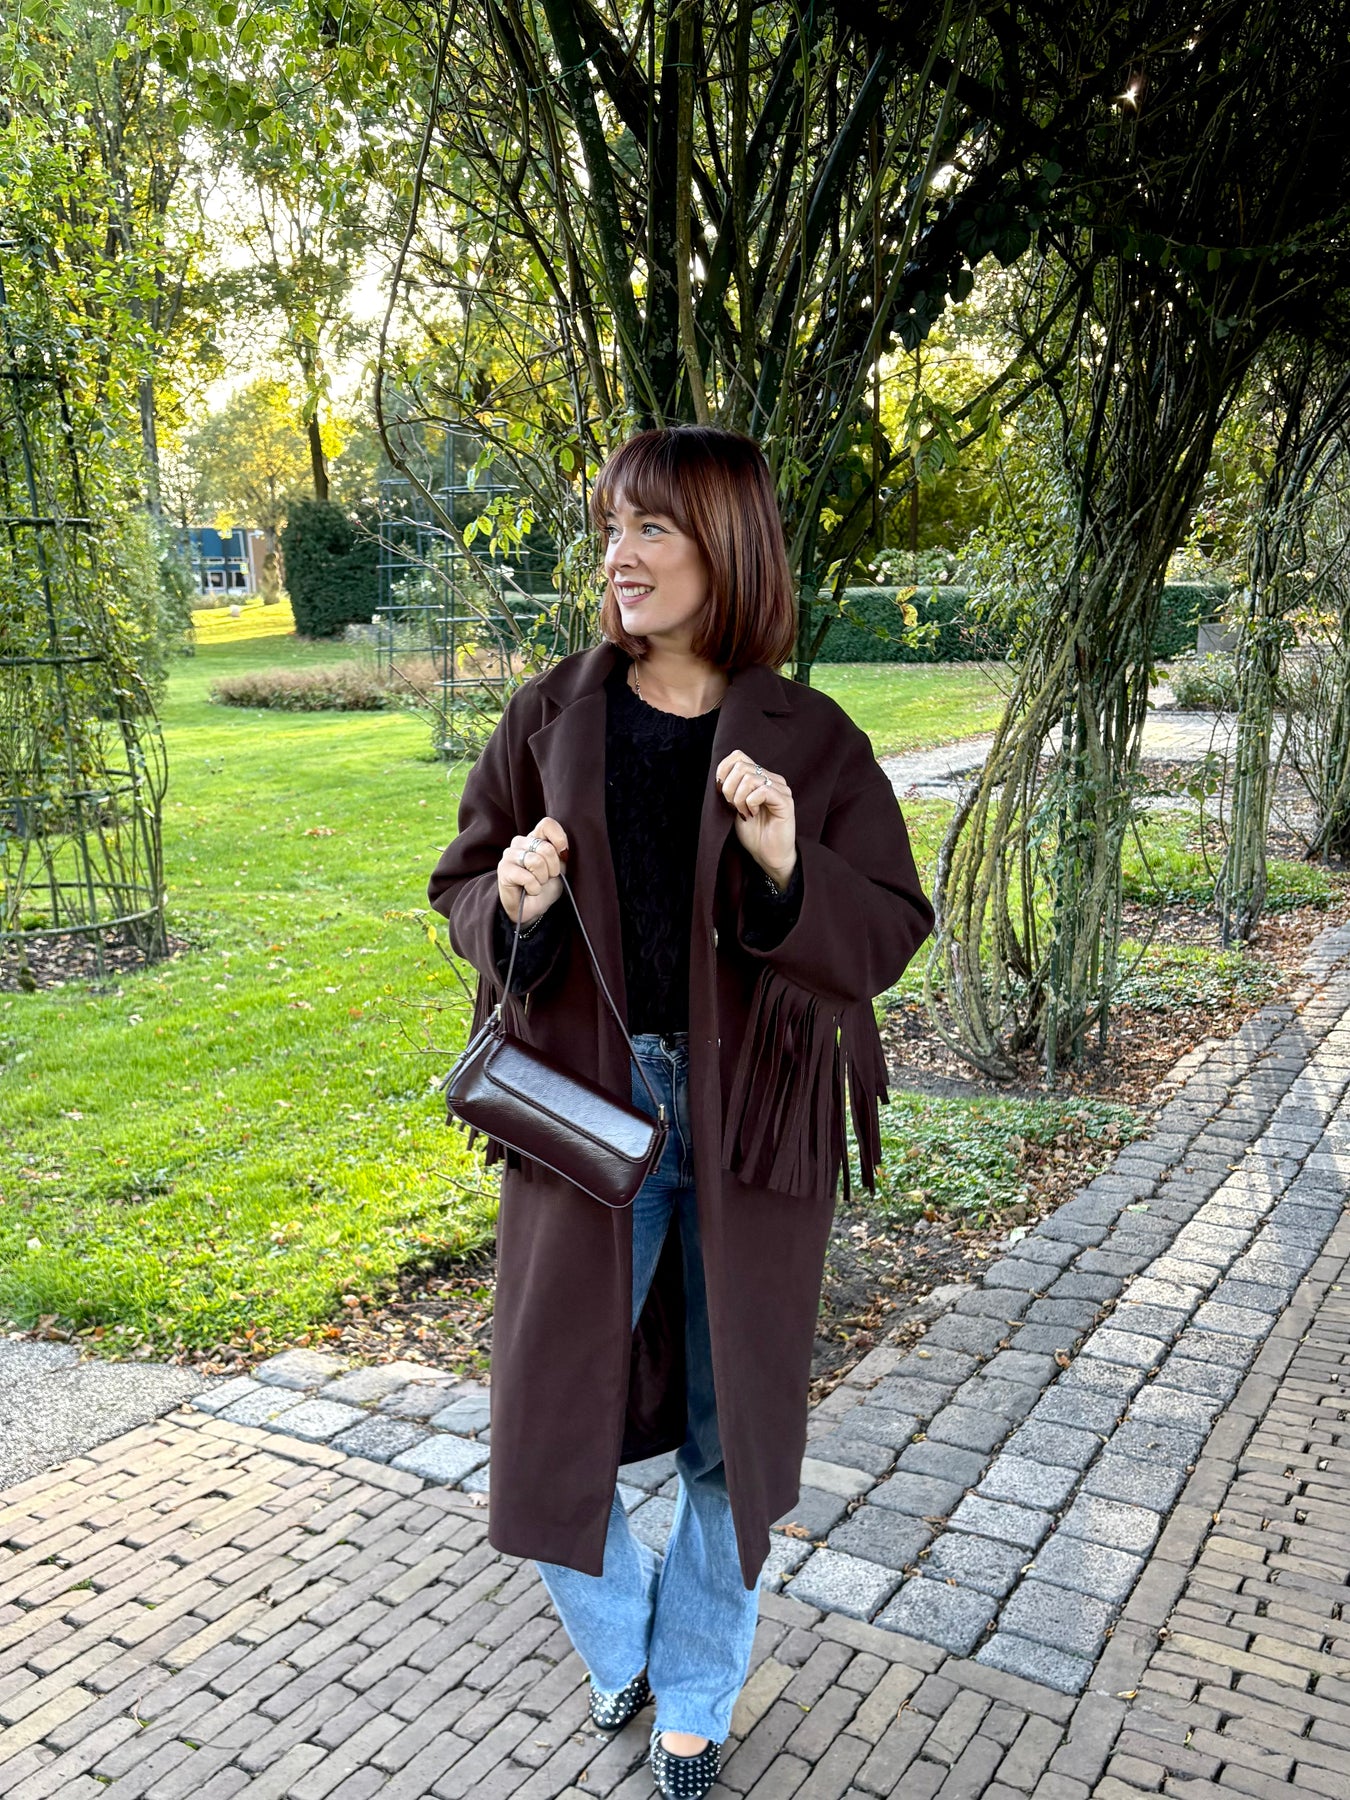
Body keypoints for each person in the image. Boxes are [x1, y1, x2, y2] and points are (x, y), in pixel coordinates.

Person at [427, 424, 933, 1799]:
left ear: (728, 547)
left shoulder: (812, 741)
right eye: (613, 527)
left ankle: (693, 1693)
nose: (620, 553)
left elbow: (890, 924)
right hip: (585, 1112)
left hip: (754, 1119)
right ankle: (629, 1640)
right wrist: (513, 908)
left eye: (652, 527)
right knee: (544, 1424)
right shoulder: (549, 715)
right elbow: (463, 884)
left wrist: (784, 867)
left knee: (731, 1431)